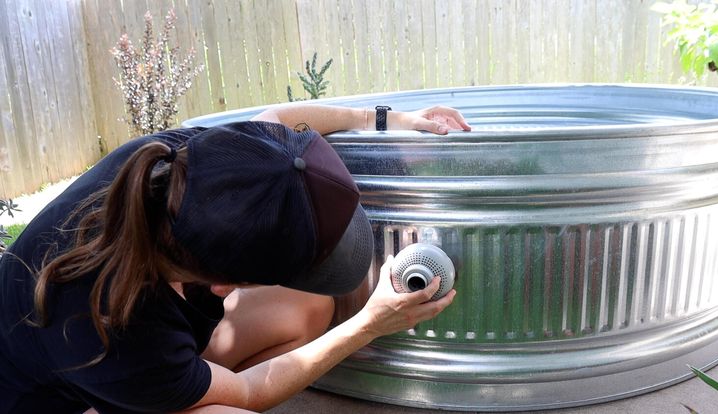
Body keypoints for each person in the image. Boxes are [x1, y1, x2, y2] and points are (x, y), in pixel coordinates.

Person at [0, 104, 471, 413]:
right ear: (224, 284)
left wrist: (385, 120)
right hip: (67, 398)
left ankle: (192, 381)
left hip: (124, 357)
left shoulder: (186, 165)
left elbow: (278, 118)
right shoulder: (117, 338)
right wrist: (368, 324)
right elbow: (249, 393)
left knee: (307, 307)